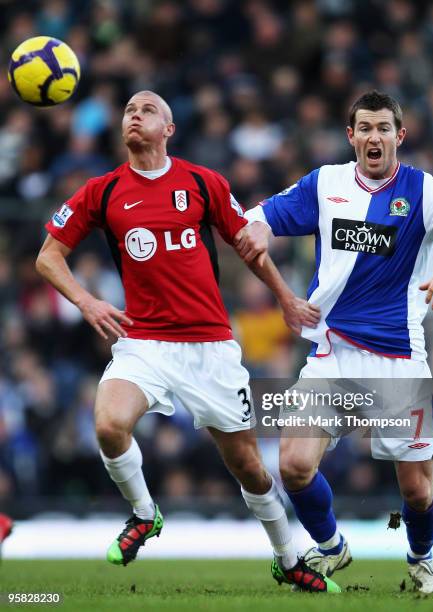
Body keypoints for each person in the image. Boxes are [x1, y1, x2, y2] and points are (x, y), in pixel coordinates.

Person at [36, 90, 340, 593]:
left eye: (147, 109)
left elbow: (249, 247)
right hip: (144, 343)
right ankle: (144, 514)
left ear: (169, 129)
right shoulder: (103, 191)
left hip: (210, 347)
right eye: (129, 110)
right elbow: (48, 256)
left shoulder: (203, 182)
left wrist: (286, 298)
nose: (135, 116)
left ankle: (288, 558)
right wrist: (87, 302)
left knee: (249, 467)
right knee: (109, 425)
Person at [235, 90, 433, 594]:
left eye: (383, 128)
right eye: (365, 128)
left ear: (399, 136)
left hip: (398, 359)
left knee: (417, 492)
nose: (373, 137)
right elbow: (260, 217)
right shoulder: (325, 184)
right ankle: (331, 547)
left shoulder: (428, 193)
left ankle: (423, 559)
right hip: (332, 353)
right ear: (350, 136)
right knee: (292, 464)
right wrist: (259, 230)